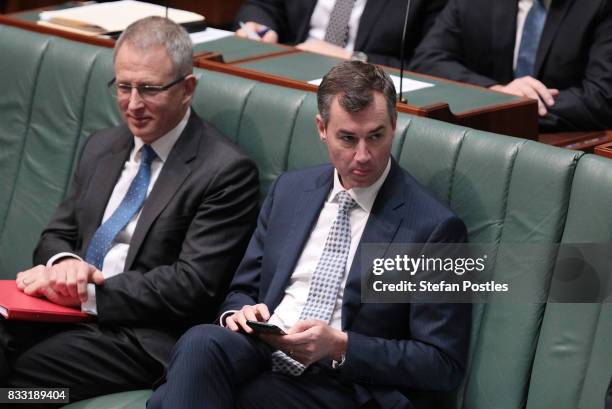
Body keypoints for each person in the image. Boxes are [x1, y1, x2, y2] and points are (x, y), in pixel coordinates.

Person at [148, 61, 471, 409]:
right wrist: (239, 313)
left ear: (394, 125)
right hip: (263, 350)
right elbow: (243, 289)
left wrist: (341, 345)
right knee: (201, 342)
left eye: (376, 136)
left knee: (187, 396)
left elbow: (442, 363)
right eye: (347, 138)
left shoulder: (434, 229)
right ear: (322, 128)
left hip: (344, 384)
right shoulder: (290, 190)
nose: (363, 156)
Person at [1, 16, 259, 404]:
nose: (134, 104)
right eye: (124, 87)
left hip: (138, 336)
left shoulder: (225, 171)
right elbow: (55, 235)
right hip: (61, 314)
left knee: (24, 379)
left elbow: (191, 286)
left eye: (150, 89)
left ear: (187, 88)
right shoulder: (102, 146)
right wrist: (66, 264)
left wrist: (86, 293)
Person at [409, 0, 612, 132]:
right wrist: (496, 93)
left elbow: (601, 98)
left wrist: (518, 107)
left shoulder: (601, 6)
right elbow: (426, 60)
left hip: (558, 143)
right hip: (476, 134)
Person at [235, 0, 447, 67]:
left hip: (363, 83)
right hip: (289, 65)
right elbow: (262, 4)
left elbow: (427, 63)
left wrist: (354, 59)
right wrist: (260, 24)